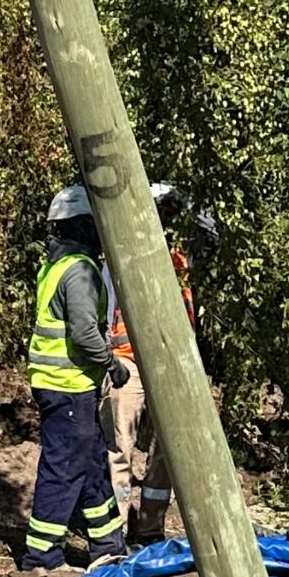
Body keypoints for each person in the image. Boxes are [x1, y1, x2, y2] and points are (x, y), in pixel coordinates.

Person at [22, 184, 129, 571]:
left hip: (67, 386)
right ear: (82, 225)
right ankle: (42, 556)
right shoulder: (80, 271)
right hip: (68, 387)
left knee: (92, 466)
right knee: (64, 468)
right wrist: (112, 365)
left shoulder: (56, 266)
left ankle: (108, 545)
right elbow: (84, 335)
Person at [102, 182, 214, 544]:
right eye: (162, 210)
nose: (166, 219)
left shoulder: (180, 256)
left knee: (167, 452)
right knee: (119, 448)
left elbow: (212, 234)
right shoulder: (123, 254)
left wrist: (191, 200)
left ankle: (149, 530)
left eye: (170, 212)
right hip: (127, 361)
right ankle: (114, 532)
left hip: (172, 367)